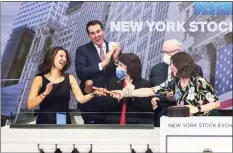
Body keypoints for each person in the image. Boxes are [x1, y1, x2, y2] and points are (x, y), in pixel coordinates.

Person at [111, 52, 220, 117]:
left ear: (181, 65)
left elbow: (216, 103)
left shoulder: (199, 81)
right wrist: (125, 92)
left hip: (203, 124)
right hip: (184, 123)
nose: (171, 67)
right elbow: (150, 91)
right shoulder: (173, 82)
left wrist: (196, 109)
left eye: (173, 65)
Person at [27, 46, 105, 124]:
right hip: (44, 119)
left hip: (62, 117)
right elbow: (30, 105)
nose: (64, 59)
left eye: (65, 57)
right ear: (52, 57)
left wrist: (94, 93)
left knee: (61, 135)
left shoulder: (69, 78)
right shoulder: (39, 79)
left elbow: (81, 99)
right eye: (61, 56)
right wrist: (44, 94)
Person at [75, 20, 120, 124]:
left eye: (98, 31)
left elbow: (120, 77)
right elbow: (81, 73)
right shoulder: (82, 50)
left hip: (111, 104)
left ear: (103, 31)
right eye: (92, 33)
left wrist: (116, 60)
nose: (96, 35)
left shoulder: (113, 48)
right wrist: (103, 64)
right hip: (91, 105)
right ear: (89, 36)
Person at [149, 39, 203, 126]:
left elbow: (198, 95)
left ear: (179, 52)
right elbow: (151, 90)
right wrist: (155, 98)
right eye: (164, 52)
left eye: (168, 52)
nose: (165, 55)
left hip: (185, 117)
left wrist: (177, 96)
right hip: (161, 117)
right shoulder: (156, 69)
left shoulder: (194, 69)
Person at [101, 53, 153, 124]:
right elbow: (105, 105)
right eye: (118, 65)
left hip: (135, 125)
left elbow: (146, 108)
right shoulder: (113, 81)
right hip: (114, 124)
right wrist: (116, 99)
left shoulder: (144, 84)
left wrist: (133, 94)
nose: (117, 68)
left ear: (130, 67)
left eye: (121, 65)